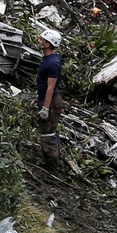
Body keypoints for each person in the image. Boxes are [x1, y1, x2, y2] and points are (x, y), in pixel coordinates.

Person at [34, 27, 63, 158]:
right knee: (45, 131)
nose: (38, 40)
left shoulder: (53, 64)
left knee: (48, 134)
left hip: (51, 103)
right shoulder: (47, 59)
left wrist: (45, 108)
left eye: (41, 39)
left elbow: (50, 88)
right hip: (45, 99)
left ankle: (52, 167)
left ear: (47, 44)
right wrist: (38, 98)